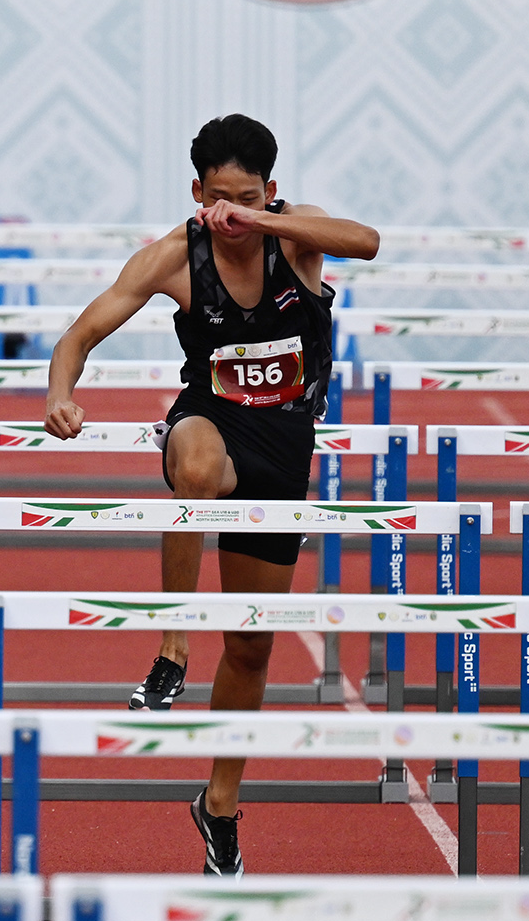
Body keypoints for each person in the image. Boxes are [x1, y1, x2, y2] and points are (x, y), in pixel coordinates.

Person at [41, 115, 376, 875]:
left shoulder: (298, 237)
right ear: (196, 192)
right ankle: (172, 644)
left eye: (247, 198)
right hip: (211, 423)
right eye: (217, 199)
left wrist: (265, 221)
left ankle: (219, 802)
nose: (229, 214)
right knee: (192, 466)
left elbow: (367, 241)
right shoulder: (175, 255)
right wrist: (61, 393)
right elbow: (77, 337)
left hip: (284, 447)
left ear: (270, 191)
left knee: (252, 645)